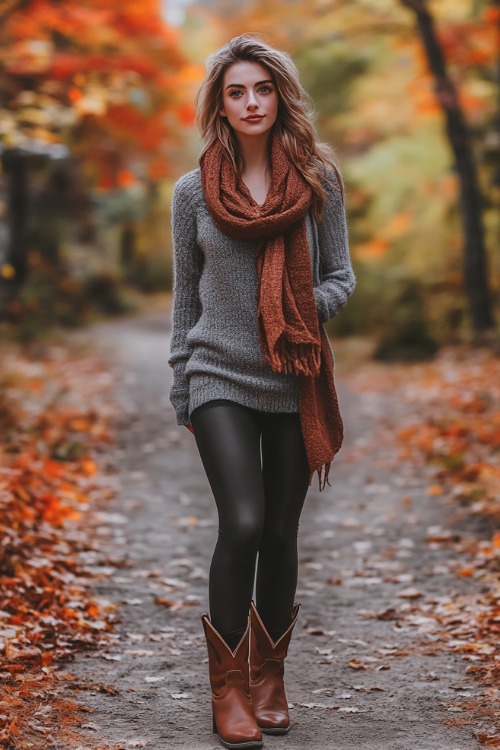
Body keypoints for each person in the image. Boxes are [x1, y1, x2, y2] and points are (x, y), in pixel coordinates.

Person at [168, 34, 355, 749]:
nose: (250, 102)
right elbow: (186, 302)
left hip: (294, 373)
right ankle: (230, 688)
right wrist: (182, 387)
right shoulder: (192, 193)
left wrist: (301, 312)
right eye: (236, 91)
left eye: (263, 89)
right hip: (218, 372)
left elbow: (340, 276)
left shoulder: (317, 180)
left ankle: (272, 677)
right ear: (220, 103)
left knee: (280, 533)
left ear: (281, 96)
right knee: (242, 522)